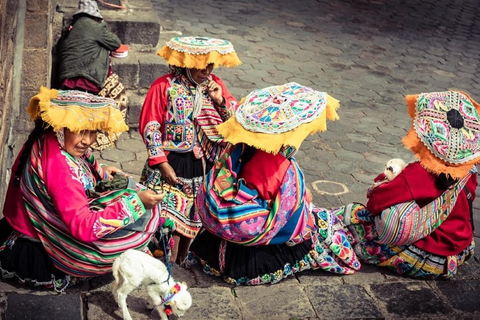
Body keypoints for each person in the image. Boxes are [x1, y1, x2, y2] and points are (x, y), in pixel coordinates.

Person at [186, 82, 361, 285]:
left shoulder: (238, 150)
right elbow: (292, 214)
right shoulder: (284, 167)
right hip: (252, 258)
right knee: (320, 223)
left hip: (215, 244)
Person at [0, 87, 165, 292]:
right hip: (36, 247)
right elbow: (85, 228)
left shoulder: (51, 139)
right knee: (134, 215)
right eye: (81, 131)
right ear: (63, 127)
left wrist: (101, 171)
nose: (87, 141)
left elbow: (80, 168)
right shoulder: (61, 169)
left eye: (93, 131)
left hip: (19, 225)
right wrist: (137, 204)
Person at [342, 90, 479, 279]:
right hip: (459, 250)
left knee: (352, 217)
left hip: (430, 257)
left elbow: (375, 204)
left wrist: (385, 180)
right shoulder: (469, 169)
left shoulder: (420, 173)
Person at [139, 36, 241, 264]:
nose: (207, 70)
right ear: (187, 63)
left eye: (210, 65)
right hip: (171, 161)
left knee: (194, 216)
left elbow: (233, 123)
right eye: (200, 65)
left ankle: (182, 260)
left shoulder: (215, 85)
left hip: (202, 162)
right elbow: (150, 125)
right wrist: (162, 163)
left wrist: (220, 101)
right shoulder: (164, 86)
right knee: (170, 218)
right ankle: (167, 263)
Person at [56, 0, 127, 150]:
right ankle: (81, 144)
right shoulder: (93, 25)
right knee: (83, 114)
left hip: (66, 77)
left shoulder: (72, 28)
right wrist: (102, 26)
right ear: (95, 16)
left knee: (74, 112)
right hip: (85, 77)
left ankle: (69, 141)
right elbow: (115, 42)